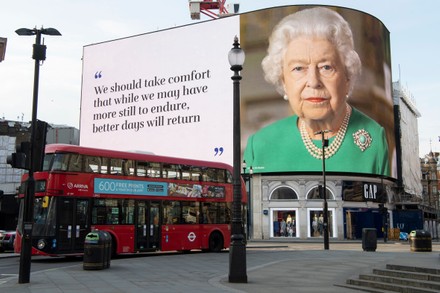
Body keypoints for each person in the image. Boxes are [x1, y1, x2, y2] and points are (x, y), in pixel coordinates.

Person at [243, 7, 390, 176]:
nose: (313, 82)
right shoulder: (260, 145)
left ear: (347, 76)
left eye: (326, 67)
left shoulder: (375, 139)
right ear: (283, 81)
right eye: (299, 68)